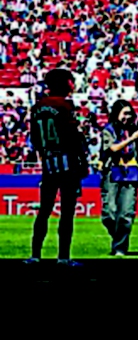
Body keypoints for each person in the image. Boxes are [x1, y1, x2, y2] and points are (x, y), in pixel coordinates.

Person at [26, 69, 88, 266]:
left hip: (48, 162)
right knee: (67, 210)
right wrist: (82, 161)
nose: (73, 84)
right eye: (71, 81)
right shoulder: (65, 105)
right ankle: (63, 256)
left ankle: (35, 255)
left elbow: (35, 138)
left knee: (44, 209)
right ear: (65, 83)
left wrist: (44, 155)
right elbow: (72, 136)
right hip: (67, 162)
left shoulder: (37, 107)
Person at [101, 99, 138, 256]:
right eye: (124, 113)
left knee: (126, 213)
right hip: (112, 172)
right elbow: (113, 148)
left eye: (130, 113)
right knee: (109, 213)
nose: (128, 116)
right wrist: (132, 138)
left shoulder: (136, 130)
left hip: (130, 173)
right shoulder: (109, 130)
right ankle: (118, 238)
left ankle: (120, 247)